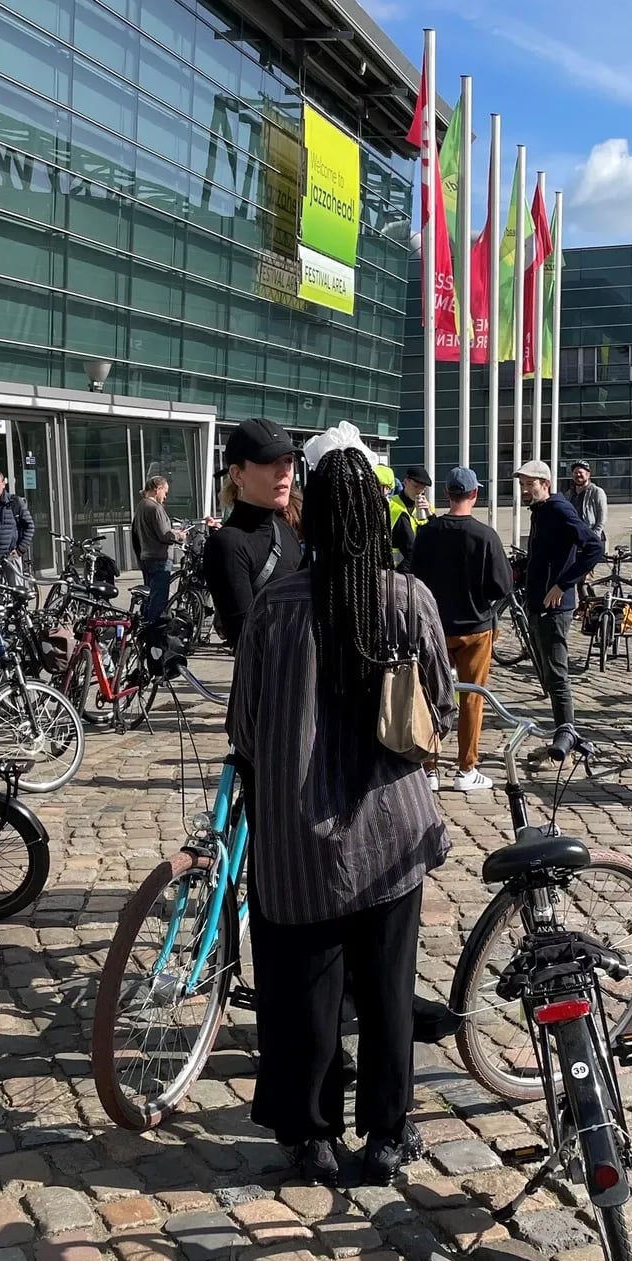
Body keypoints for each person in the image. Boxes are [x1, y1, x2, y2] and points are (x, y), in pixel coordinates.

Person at [228, 446, 453, 1187]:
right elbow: (438, 705)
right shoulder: (407, 599)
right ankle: (387, 1133)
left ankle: (310, 1135)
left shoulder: (275, 606)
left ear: (313, 519)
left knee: (304, 991)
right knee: (387, 989)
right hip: (391, 830)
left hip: (297, 836)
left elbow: (247, 727)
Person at [408, 466, 512, 793]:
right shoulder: (485, 536)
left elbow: (413, 577)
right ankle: (466, 768)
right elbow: (502, 586)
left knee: (428, 696)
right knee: (472, 699)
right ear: (475, 494)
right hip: (475, 628)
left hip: (434, 627)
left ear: (446, 495)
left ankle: (429, 767)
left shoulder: (427, 533)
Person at [517, 459, 602, 757]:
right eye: (522, 484)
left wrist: (563, 584)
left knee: (556, 674)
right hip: (537, 603)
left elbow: (594, 547)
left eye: (530, 484)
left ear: (546, 484)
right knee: (548, 674)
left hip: (554, 608)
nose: (524, 490)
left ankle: (567, 736)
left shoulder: (558, 508)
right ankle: (561, 733)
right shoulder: (540, 510)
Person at [205, 418, 300, 644]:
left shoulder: (285, 530)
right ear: (237, 474)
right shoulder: (228, 543)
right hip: (270, 666)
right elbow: (247, 638)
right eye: (270, 461)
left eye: (288, 460)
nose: (284, 471)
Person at [132, 474, 185, 623]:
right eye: (165, 492)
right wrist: (179, 535)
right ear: (158, 489)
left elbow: (136, 533)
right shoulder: (155, 508)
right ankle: (154, 630)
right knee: (159, 599)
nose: (165, 497)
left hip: (146, 557)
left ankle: (144, 625)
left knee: (149, 596)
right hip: (159, 558)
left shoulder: (141, 506)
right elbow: (164, 535)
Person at [387, 467, 432, 568]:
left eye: (423, 488)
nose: (419, 491)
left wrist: (430, 514)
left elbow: (436, 536)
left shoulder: (428, 508)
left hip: (421, 567)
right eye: (416, 486)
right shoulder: (392, 505)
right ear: (405, 482)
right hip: (398, 569)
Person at [566, 463, 609, 541]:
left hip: (591, 537)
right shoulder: (569, 494)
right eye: (575, 473)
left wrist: (595, 535)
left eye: (580, 472)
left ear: (588, 475)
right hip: (573, 538)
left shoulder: (597, 492)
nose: (578, 475)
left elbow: (602, 517)